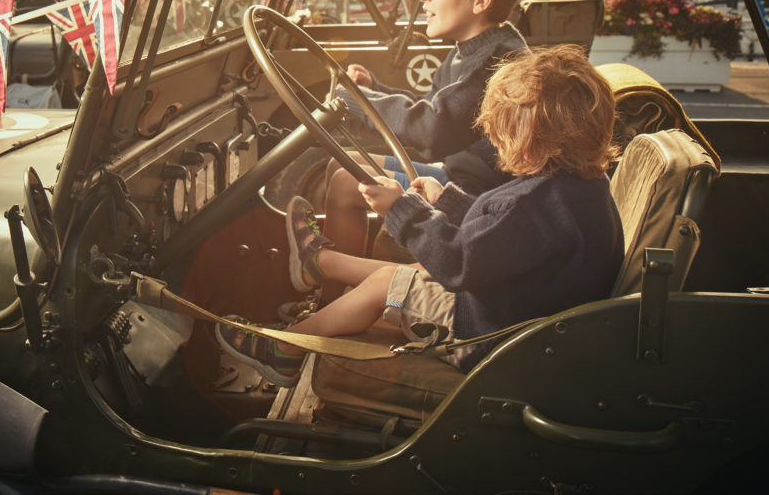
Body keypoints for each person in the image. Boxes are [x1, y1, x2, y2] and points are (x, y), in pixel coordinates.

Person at [216, 45, 625, 386]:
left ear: (532, 141)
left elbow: (459, 262)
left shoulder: (536, 202)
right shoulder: (577, 186)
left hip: (491, 335)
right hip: (517, 314)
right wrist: (444, 201)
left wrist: (400, 210)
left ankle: (284, 351)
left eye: (501, 138)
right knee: (395, 278)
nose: (497, 148)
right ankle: (315, 285)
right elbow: (504, 240)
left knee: (386, 284)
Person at [324, 0, 529, 257]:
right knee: (345, 162)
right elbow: (435, 106)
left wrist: (359, 102)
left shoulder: (497, 62)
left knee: (345, 182)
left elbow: (433, 130)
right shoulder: (472, 48)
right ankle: (341, 282)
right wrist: (374, 90)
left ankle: (331, 290)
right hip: (458, 177)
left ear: (480, 0)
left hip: (478, 198)